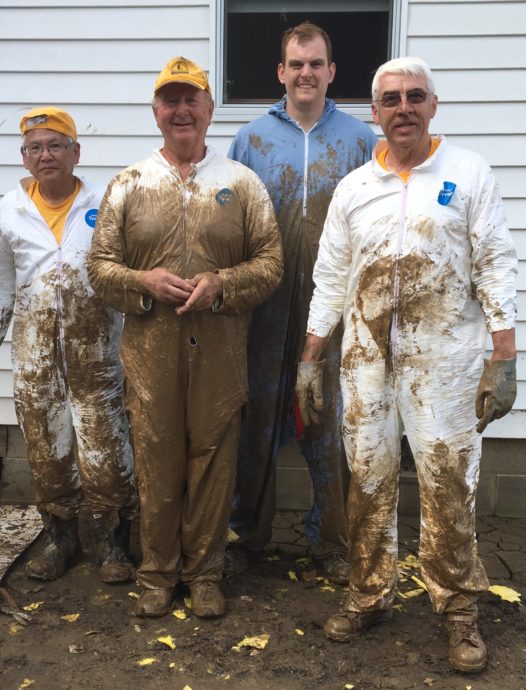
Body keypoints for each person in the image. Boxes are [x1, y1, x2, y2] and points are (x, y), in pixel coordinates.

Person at [296, 57, 517, 673]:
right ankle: (369, 593)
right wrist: (311, 358)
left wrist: (503, 354)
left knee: (448, 486)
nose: (403, 109)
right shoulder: (354, 188)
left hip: (444, 361)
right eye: (390, 100)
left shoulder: (467, 173)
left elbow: (496, 260)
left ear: (433, 104)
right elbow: (330, 278)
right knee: (365, 480)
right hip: (365, 362)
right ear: (374, 112)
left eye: (414, 97)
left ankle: (459, 612)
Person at [87, 57, 283, 619]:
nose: (182, 110)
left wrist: (222, 284)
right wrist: (142, 282)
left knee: (214, 458)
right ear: (155, 112)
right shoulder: (128, 183)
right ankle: (156, 573)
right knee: (156, 458)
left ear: (209, 110)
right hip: (150, 351)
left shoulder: (241, 184)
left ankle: (204, 573)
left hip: (220, 350)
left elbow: (271, 264)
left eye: (192, 99)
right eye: (170, 101)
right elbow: (100, 267)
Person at [227, 21, 376, 582]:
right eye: (297, 63)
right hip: (263, 306)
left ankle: (331, 539)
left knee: (331, 422)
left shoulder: (361, 140)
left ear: (331, 72)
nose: (306, 73)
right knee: (257, 419)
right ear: (281, 72)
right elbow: (231, 220)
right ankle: (246, 535)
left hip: (333, 309)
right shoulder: (250, 139)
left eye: (316, 64)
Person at [0, 106, 137, 584]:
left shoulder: (105, 203)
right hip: (34, 356)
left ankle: (113, 545)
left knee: (107, 451)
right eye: (36, 148)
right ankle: (62, 541)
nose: (47, 155)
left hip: (100, 354)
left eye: (56, 145)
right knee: (48, 451)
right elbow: (1, 281)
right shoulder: (11, 209)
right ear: (25, 158)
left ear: (75, 152)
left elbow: (123, 274)